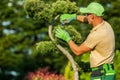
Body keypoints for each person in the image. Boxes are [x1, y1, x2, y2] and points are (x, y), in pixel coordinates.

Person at [55, 2, 116, 80]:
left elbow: (78, 51)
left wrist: (67, 38)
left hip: (101, 75)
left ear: (92, 16)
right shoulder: (106, 25)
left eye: (87, 14)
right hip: (108, 72)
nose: (86, 16)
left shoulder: (97, 35)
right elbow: (88, 20)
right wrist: (73, 17)